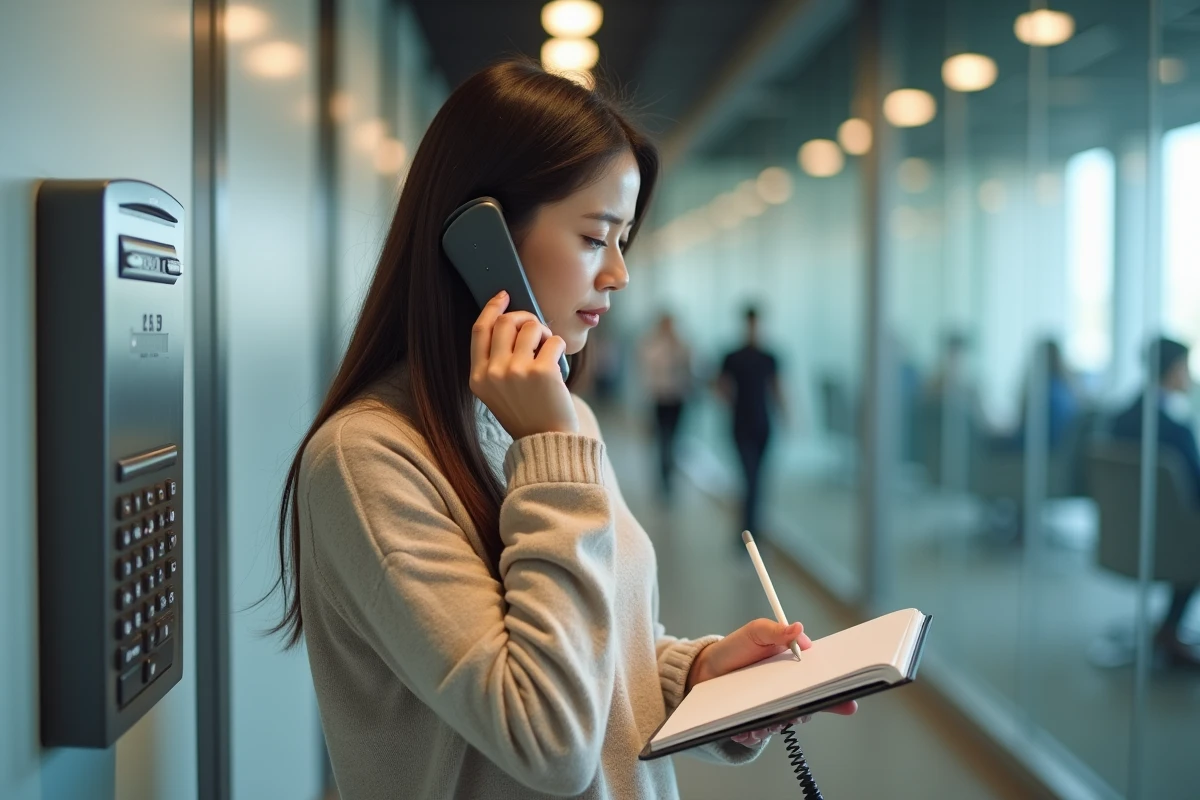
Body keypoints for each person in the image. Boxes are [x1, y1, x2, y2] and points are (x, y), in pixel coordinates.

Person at [267, 60, 854, 800]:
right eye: (594, 237)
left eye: (624, 240)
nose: (618, 275)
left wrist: (694, 673)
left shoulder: (558, 419)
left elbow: (587, 647)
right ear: (479, 240)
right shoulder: (369, 460)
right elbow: (549, 741)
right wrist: (551, 451)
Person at [1112, 336, 1200, 668]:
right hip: (1170, 541)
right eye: (1186, 368)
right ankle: (1170, 629)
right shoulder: (1175, 429)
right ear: (1173, 370)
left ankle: (1168, 627)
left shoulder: (1119, 418)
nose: (1190, 377)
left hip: (1122, 535)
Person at [717, 306, 786, 539]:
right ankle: (747, 535)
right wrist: (730, 402)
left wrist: (786, 414)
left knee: (758, 482)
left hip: (763, 425)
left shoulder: (770, 357)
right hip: (741, 425)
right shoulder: (733, 357)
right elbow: (720, 386)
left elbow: (777, 389)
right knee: (749, 480)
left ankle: (752, 531)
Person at [638, 312, 693, 498]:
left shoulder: (681, 344)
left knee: (674, 439)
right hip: (660, 398)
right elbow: (648, 367)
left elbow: (690, 364)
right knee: (663, 439)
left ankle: (670, 474)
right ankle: (663, 478)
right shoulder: (652, 344)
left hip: (677, 398)